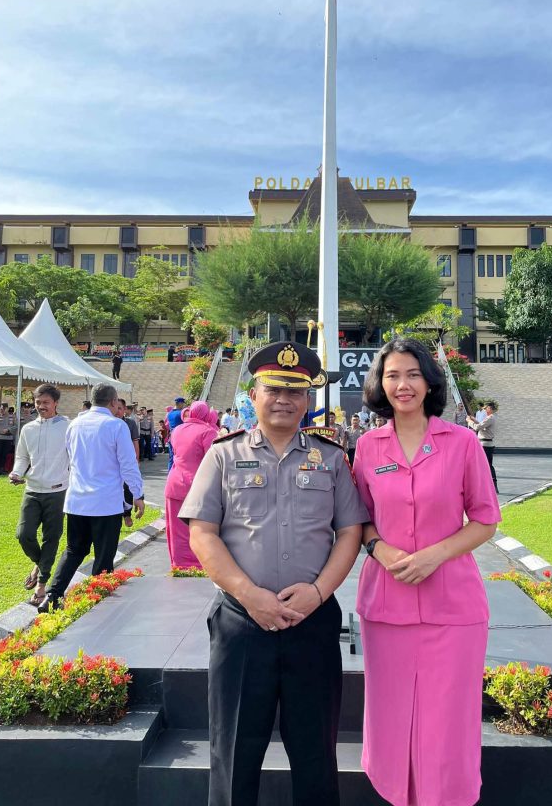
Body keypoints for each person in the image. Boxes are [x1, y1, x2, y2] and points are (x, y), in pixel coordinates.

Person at [179, 341, 369, 806]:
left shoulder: (330, 459)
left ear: (308, 400)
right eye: (274, 388)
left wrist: (320, 592)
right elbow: (203, 533)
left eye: (296, 391)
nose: (284, 399)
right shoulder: (223, 455)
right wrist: (250, 595)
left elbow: (350, 532)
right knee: (234, 750)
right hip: (243, 622)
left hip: (313, 620)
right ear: (253, 393)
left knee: (315, 750)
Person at [353, 337, 501, 806]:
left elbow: (485, 519)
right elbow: (359, 521)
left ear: (429, 382)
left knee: (448, 719)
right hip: (386, 604)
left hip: (452, 605)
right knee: (392, 714)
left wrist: (436, 555)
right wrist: (379, 550)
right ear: (380, 384)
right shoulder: (367, 447)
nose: (403, 385)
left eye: (413, 374)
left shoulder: (461, 443)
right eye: (393, 375)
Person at [37, 383, 145, 614]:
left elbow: (69, 459)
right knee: (104, 556)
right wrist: (137, 494)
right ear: (114, 402)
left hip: (77, 500)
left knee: (74, 550)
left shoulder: (74, 424)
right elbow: (128, 465)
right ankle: (95, 605)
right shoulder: (116, 426)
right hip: (106, 502)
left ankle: (52, 595)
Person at [9, 385, 70, 607]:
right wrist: (17, 472)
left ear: (55, 403)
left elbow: (74, 457)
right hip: (32, 491)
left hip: (58, 491)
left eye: (45, 402)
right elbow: (23, 457)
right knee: (23, 534)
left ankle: (41, 586)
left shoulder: (67, 427)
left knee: (51, 538)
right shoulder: (28, 429)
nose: (41, 406)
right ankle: (40, 563)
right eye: (38, 402)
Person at [164, 400, 217, 569]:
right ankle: (198, 566)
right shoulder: (208, 432)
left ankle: (179, 565)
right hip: (198, 487)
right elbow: (213, 461)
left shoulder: (177, 430)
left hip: (174, 483)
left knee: (176, 530)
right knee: (200, 530)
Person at [116, 398, 140, 529]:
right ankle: (118, 514)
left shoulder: (130, 424)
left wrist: (136, 460)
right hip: (114, 464)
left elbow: (135, 442)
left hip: (127, 461)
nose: (117, 411)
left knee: (128, 486)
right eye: (116, 408)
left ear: (125, 410)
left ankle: (127, 514)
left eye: (120, 408)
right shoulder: (109, 424)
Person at [467, 400, 499, 493]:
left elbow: (477, 427)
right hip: (487, 444)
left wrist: (469, 421)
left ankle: (492, 486)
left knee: (486, 465)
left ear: (490, 408)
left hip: (485, 444)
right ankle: (492, 486)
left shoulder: (490, 418)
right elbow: (482, 425)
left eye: (486, 408)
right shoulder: (493, 417)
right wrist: (473, 419)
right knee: (487, 465)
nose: (484, 410)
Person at [0, 402, 17, 474]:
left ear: (7, 408)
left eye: (4, 409)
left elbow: (15, 426)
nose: (2, 410)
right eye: (1, 409)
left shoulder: (12, 416)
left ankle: (2, 468)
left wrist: (8, 429)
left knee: (4, 454)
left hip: (8, 438)